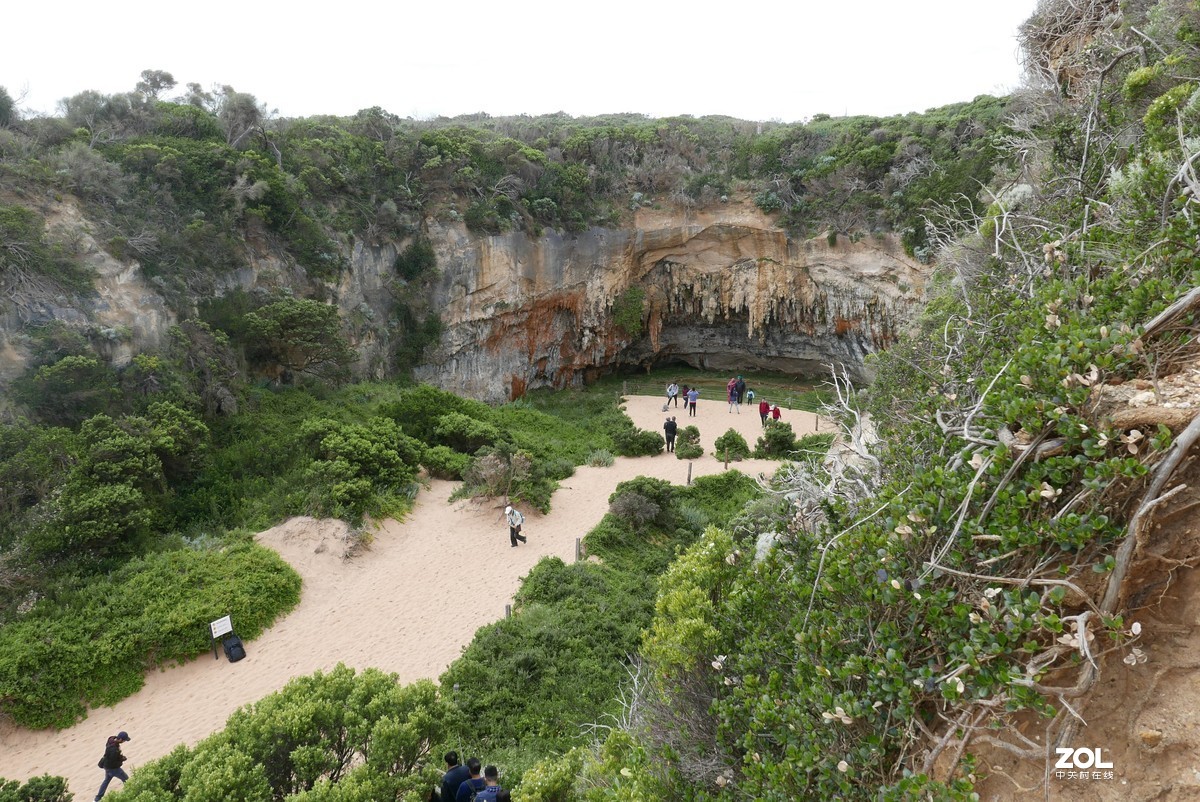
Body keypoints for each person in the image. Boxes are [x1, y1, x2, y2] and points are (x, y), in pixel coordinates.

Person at [94, 731, 131, 801]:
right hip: (113, 768)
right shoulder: (113, 750)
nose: (124, 742)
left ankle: (97, 798)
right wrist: (121, 760)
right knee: (127, 780)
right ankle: (132, 793)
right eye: (124, 740)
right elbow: (113, 763)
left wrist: (119, 756)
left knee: (106, 781)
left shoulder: (111, 741)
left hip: (106, 766)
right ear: (120, 739)